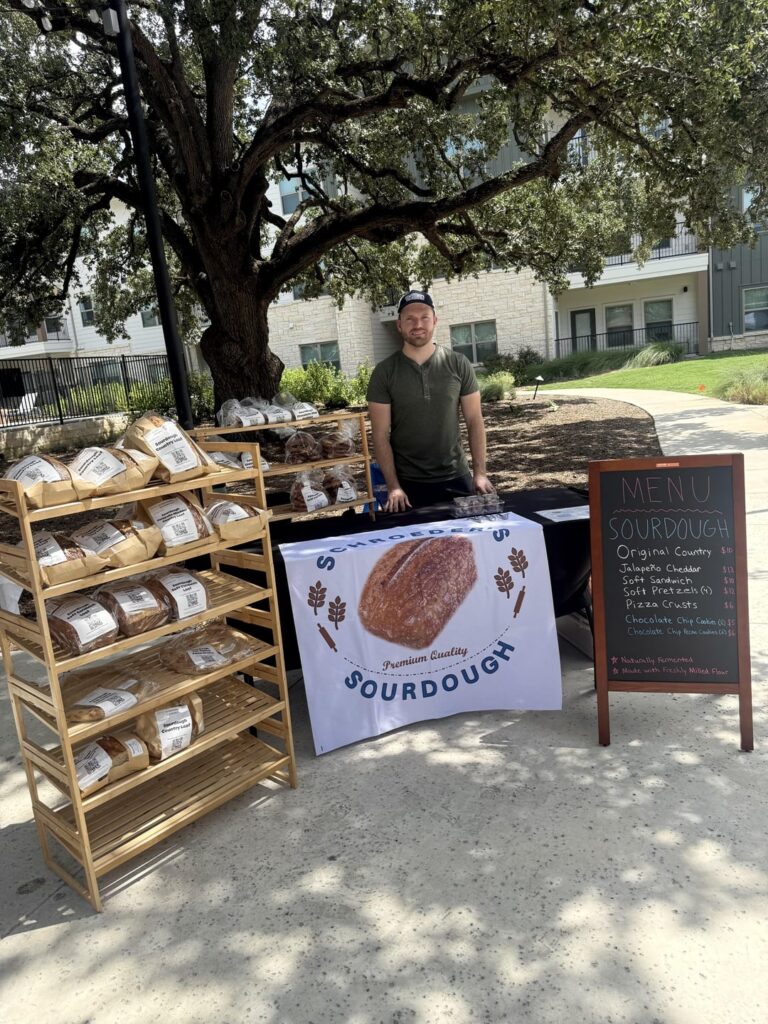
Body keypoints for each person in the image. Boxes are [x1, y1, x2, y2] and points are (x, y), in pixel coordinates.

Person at [367, 289, 494, 511]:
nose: (418, 324)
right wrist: (393, 486)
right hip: (407, 486)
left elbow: (474, 420)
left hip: (457, 477)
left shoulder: (458, 363)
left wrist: (480, 474)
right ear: (399, 325)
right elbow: (379, 433)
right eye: (410, 319)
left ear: (434, 321)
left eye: (424, 317)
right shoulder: (384, 372)